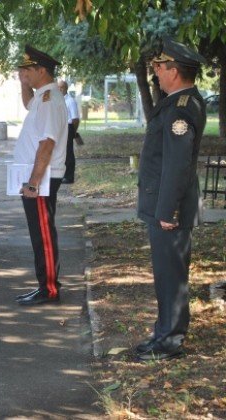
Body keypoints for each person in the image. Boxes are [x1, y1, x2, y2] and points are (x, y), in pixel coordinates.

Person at [135, 39, 207, 361]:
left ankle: (170, 341)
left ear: (174, 71)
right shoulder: (178, 101)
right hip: (162, 206)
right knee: (165, 275)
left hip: (169, 210)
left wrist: (168, 210)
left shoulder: (182, 109)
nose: (156, 73)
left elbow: (178, 165)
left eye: (159, 67)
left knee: (171, 276)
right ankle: (163, 333)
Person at [13, 45, 67, 306]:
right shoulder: (42, 97)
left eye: (27, 69)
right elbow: (27, 104)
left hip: (41, 180)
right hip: (37, 179)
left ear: (42, 70)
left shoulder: (49, 100)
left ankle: (49, 288)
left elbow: (47, 144)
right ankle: (45, 284)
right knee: (39, 232)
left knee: (43, 234)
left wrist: (33, 182)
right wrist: (23, 82)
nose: (23, 72)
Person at [58, 80, 79, 184]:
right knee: (61, 153)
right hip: (60, 128)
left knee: (68, 153)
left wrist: (73, 132)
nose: (59, 90)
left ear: (65, 88)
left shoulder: (70, 101)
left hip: (68, 127)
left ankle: (69, 176)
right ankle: (62, 175)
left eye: (61, 87)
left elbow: (75, 119)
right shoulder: (58, 100)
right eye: (57, 88)